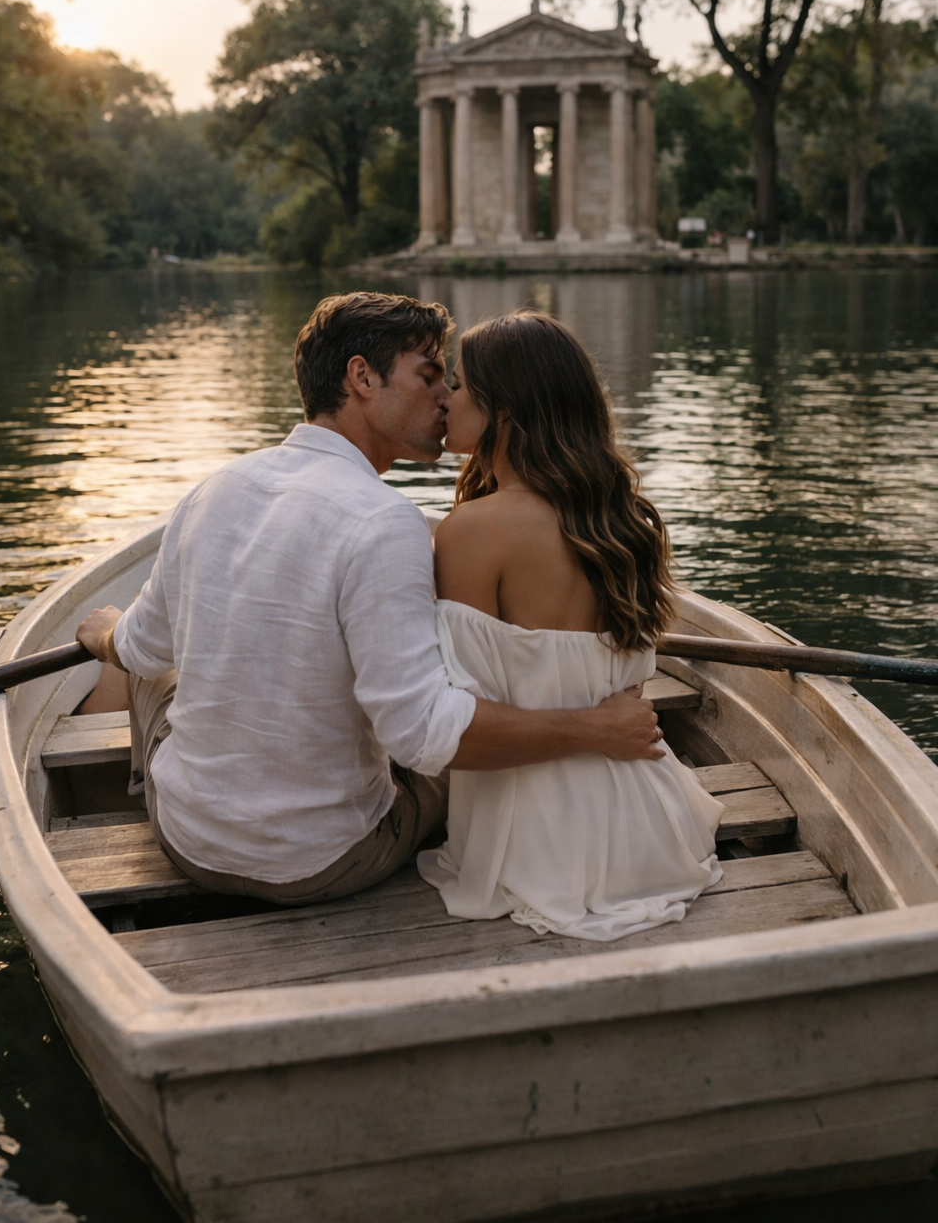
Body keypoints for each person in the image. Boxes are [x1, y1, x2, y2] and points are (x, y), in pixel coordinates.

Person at [75, 293, 665, 907]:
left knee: (143, 674)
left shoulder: (212, 490)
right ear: (361, 377)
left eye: (451, 382)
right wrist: (594, 728)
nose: (445, 398)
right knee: (434, 750)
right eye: (430, 376)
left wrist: (103, 633)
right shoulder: (386, 521)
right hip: (326, 859)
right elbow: (422, 738)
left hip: (189, 843)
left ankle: (136, 787)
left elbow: (141, 644)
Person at [417, 310, 723, 941]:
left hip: (533, 838)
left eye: (461, 384)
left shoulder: (472, 533)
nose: (445, 397)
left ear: (506, 408)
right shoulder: (627, 520)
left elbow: (464, 713)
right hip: (651, 825)